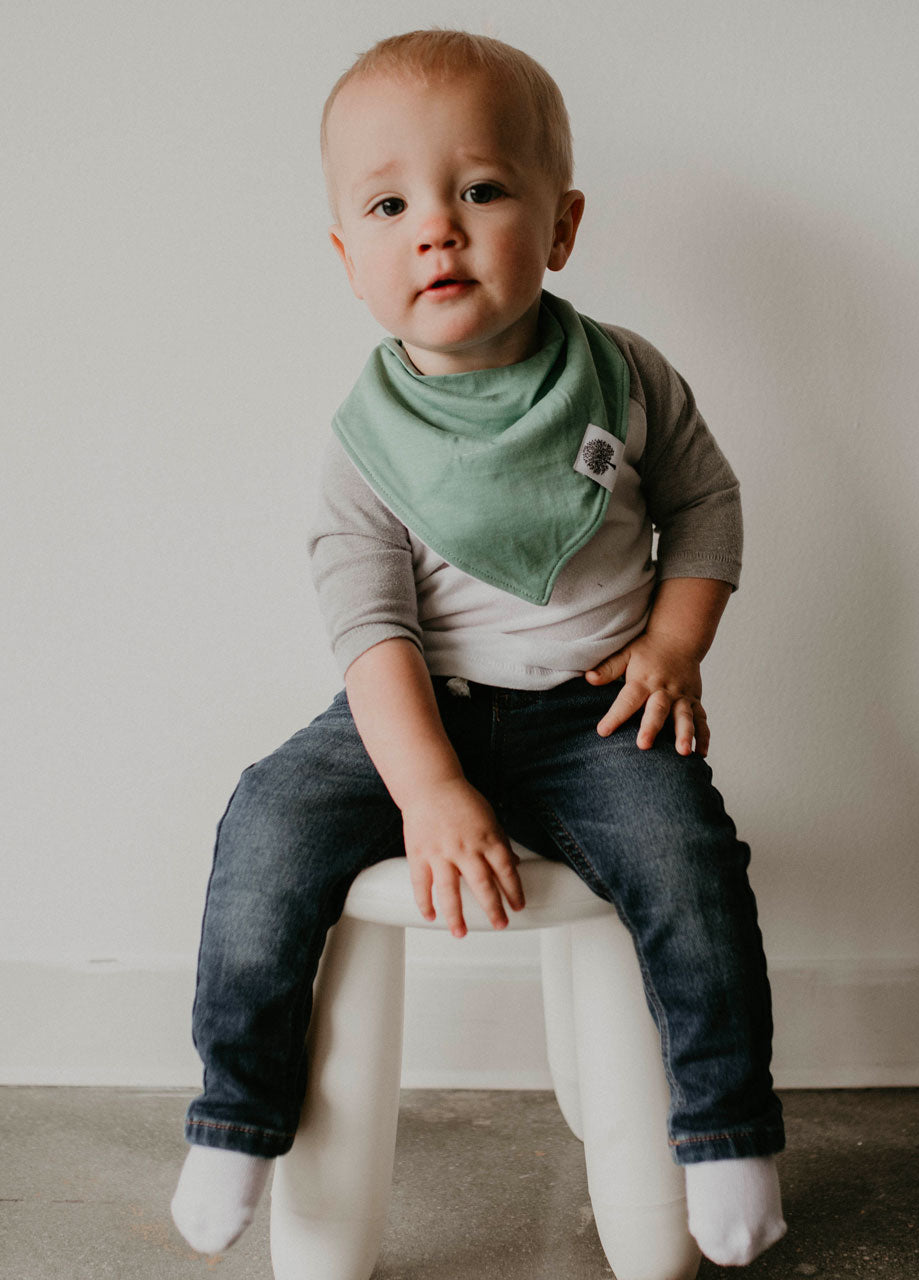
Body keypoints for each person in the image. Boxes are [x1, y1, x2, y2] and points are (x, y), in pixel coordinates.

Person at [171, 29, 787, 1268]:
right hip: (410, 710)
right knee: (264, 823)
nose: (436, 229)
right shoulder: (365, 441)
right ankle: (237, 1109)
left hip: (592, 710)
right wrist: (430, 786)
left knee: (687, 861)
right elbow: (371, 627)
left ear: (559, 227)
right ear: (350, 259)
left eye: (480, 190)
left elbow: (704, 507)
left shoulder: (620, 376)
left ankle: (724, 1128)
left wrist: (674, 642)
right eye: (390, 204)